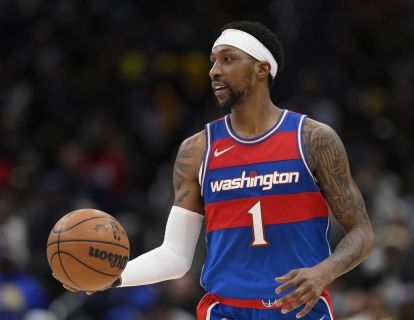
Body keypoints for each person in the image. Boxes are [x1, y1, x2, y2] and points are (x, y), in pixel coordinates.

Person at [56, 21, 374, 319]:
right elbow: (176, 255)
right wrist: (111, 278)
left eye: (227, 59)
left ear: (262, 69)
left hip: (301, 309)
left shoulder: (314, 139)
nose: (213, 71)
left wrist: (326, 271)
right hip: (226, 311)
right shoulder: (197, 150)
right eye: (212, 61)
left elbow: (362, 232)